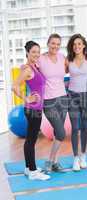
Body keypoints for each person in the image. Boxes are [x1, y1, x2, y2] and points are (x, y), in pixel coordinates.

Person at [12, 41, 50, 180]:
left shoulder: (34, 66)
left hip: (36, 109)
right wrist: (26, 98)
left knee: (30, 139)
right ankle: (33, 172)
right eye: (33, 52)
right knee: (31, 140)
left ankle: (29, 168)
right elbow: (14, 86)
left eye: (38, 52)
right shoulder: (28, 69)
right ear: (27, 53)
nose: (36, 54)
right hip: (33, 109)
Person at [38, 34, 68, 173]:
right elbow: (30, 67)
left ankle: (55, 162)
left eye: (57, 44)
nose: (55, 46)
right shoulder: (41, 59)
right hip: (49, 101)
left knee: (58, 133)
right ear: (48, 43)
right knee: (61, 133)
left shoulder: (62, 57)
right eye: (53, 43)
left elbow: (76, 64)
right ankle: (49, 161)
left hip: (63, 98)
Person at [66, 34, 87, 171]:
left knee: (85, 127)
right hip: (72, 96)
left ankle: (83, 156)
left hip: (86, 96)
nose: (77, 46)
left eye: (79, 44)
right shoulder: (68, 60)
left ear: (84, 45)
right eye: (74, 44)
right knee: (75, 128)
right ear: (72, 46)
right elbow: (56, 70)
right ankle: (75, 157)